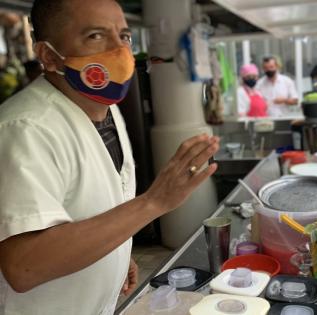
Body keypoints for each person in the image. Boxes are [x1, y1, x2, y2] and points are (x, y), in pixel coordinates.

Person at [0, 1, 219, 314]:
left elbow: (92, 208)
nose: (120, 50)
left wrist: (113, 252)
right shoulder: (23, 129)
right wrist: (153, 202)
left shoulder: (107, 111)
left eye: (124, 36)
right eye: (95, 36)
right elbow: (23, 267)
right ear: (49, 56)